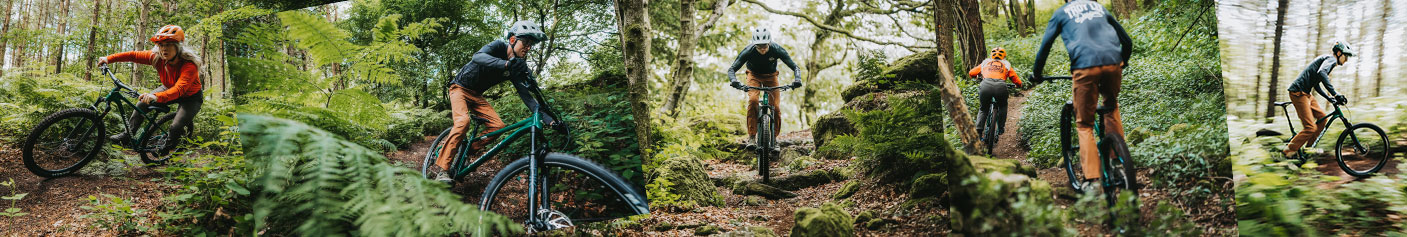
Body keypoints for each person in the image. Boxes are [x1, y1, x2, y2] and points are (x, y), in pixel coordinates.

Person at [430, 20, 553, 183]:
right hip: (459, 88)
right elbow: (478, 57)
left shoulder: (516, 66)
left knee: (498, 126)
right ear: (512, 40)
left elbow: (527, 97)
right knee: (463, 122)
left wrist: (549, 119)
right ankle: (443, 170)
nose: (528, 47)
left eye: (531, 44)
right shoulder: (497, 47)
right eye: (526, 42)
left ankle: (464, 151)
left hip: (476, 95)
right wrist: (506, 64)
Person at [1031, 0, 1133, 191]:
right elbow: (1127, 41)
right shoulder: (1099, 8)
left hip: (1085, 66)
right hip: (1113, 62)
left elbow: (1046, 46)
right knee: (1111, 107)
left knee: (1084, 124)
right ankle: (1118, 163)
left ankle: (1091, 180)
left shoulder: (1061, 13)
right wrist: (1122, 63)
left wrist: (1036, 74)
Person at [99, 25, 203, 154]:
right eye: (161, 45)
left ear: (178, 47)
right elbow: (133, 55)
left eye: (168, 45)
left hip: (190, 97)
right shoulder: (157, 57)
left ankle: (166, 149)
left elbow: (179, 89)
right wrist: (108, 58)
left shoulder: (189, 65)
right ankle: (128, 135)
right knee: (142, 103)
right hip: (168, 88)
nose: (164, 49)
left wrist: (157, 96)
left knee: (176, 127)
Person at [726, 27, 803, 153]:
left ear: (769, 43)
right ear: (755, 45)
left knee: (776, 108)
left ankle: (775, 139)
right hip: (753, 75)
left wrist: (797, 79)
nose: (762, 49)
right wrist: (734, 81)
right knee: (753, 100)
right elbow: (732, 69)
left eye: (765, 46)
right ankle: (751, 137)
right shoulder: (748, 51)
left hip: (771, 77)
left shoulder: (776, 49)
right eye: (759, 46)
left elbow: (795, 66)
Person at [1283, 42, 1355, 158]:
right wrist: (1335, 94)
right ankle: (1288, 151)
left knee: (1322, 118)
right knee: (1310, 128)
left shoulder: (1327, 61)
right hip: (1298, 93)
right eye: (1345, 56)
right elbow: (1321, 73)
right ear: (1338, 53)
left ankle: (1308, 149)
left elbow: (1316, 85)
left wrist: (1329, 98)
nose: (1346, 60)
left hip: (1306, 93)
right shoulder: (1331, 59)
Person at [969, 47, 1023, 137]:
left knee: (983, 108)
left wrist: (977, 77)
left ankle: (979, 129)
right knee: (1002, 106)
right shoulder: (1006, 64)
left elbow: (971, 73)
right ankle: (1001, 128)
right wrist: (1018, 85)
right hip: (1001, 86)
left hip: (985, 85)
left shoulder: (986, 62)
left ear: (991, 55)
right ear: (1004, 56)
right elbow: (1015, 79)